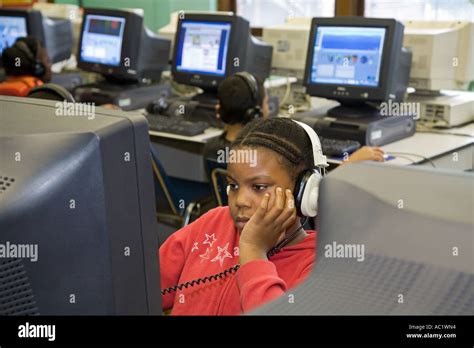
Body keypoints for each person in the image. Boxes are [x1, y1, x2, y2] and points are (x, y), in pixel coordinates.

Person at [160, 117, 319, 315]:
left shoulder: (315, 266)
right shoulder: (213, 223)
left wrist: (253, 252)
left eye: (259, 187)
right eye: (233, 185)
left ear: (301, 193)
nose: (241, 200)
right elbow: (143, 288)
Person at [204, 71, 385, 163]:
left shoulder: (211, 149)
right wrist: (352, 161)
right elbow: (314, 195)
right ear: (256, 113)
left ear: (219, 110)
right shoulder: (265, 158)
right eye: (266, 102)